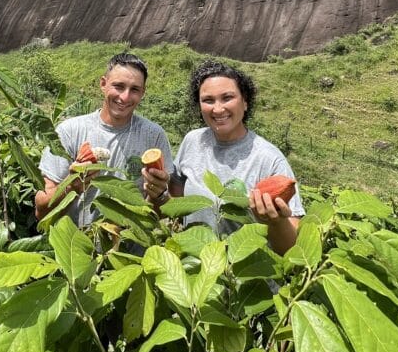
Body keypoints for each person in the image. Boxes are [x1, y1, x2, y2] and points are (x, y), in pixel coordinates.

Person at [169, 60, 304, 254]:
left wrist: (276, 223)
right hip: (194, 274)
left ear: (245, 101)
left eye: (227, 98)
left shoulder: (269, 158)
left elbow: (292, 248)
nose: (218, 109)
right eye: (208, 100)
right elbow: (177, 191)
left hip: (245, 278)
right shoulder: (192, 141)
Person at [35, 53, 173, 227]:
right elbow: (41, 211)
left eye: (135, 89)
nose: (125, 97)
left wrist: (159, 195)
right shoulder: (69, 131)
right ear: (103, 84)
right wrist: (72, 186)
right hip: (76, 247)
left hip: (131, 249)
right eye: (119, 86)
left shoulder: (154, 136)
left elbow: (160, 214)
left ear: (143, 93)